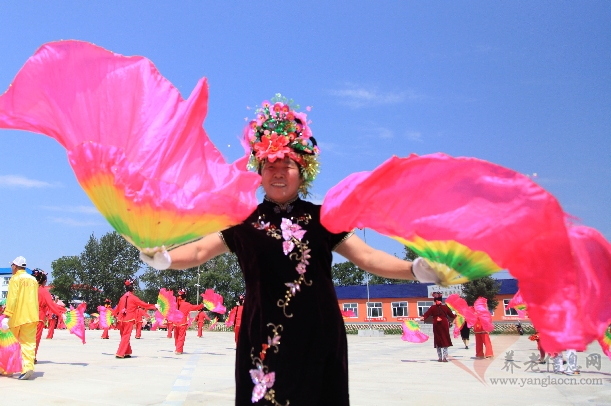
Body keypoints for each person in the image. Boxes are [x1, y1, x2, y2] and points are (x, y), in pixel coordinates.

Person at [140, 98, 442, 405]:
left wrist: (413, 269)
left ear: (303, 171)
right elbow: (200, 251)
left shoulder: (325, 218)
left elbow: (367, 257)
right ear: (259, 173)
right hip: (263, 339)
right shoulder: (244, 221)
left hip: (319, 338)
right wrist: (165, 258)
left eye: (287, 165)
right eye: (269, 166)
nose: (278, 172)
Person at [0, 256, 39, 380]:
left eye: (12, 266)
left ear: (15, 266)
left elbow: (12, 298)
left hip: (17, 316)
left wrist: (7, 315)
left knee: (9, 342)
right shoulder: (33, 280)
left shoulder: (15, 278)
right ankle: (28, 367)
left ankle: (7, 369)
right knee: (28, 343)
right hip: (32, 316)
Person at [113, 279, 155, 358]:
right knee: (126, 336)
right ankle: (120, 353)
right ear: (133, 289)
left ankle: (127, 352)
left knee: (123, 336)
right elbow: (143, 304)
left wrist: (113, 315)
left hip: (120, 320)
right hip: (128, 320)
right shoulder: (134, 298)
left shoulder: (122, 298)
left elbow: (117, 308)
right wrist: (154, 306)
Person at [32, 268, 65, 363]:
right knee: (36, 337)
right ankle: (32, 357)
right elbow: (51, 305)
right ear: (44, 281)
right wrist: (61, 313)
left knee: (26, 337)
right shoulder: (43, 291)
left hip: (28, 315)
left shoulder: (30, 289)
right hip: (39, 316)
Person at [421, 292, 455, 362]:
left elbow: (426, 315)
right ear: (441, 300)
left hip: (436, 324)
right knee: (445, 339)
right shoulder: (445, 307)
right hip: (444, 324)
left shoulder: (432, 307)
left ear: (434, 300)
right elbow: (452, 316)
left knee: (438, 339)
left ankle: (440, 358)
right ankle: (445, 358)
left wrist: (422, 318)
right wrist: (453, 321)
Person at [173, 289, 203, 354]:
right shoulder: (186, 304)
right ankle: (179, 350)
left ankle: (177, 348)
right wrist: (202, 305)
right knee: (181, 337)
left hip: (175, 322)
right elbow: (194, 307)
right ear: (185, 298)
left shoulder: (175, 304)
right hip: (182, 323)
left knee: (176, 337)